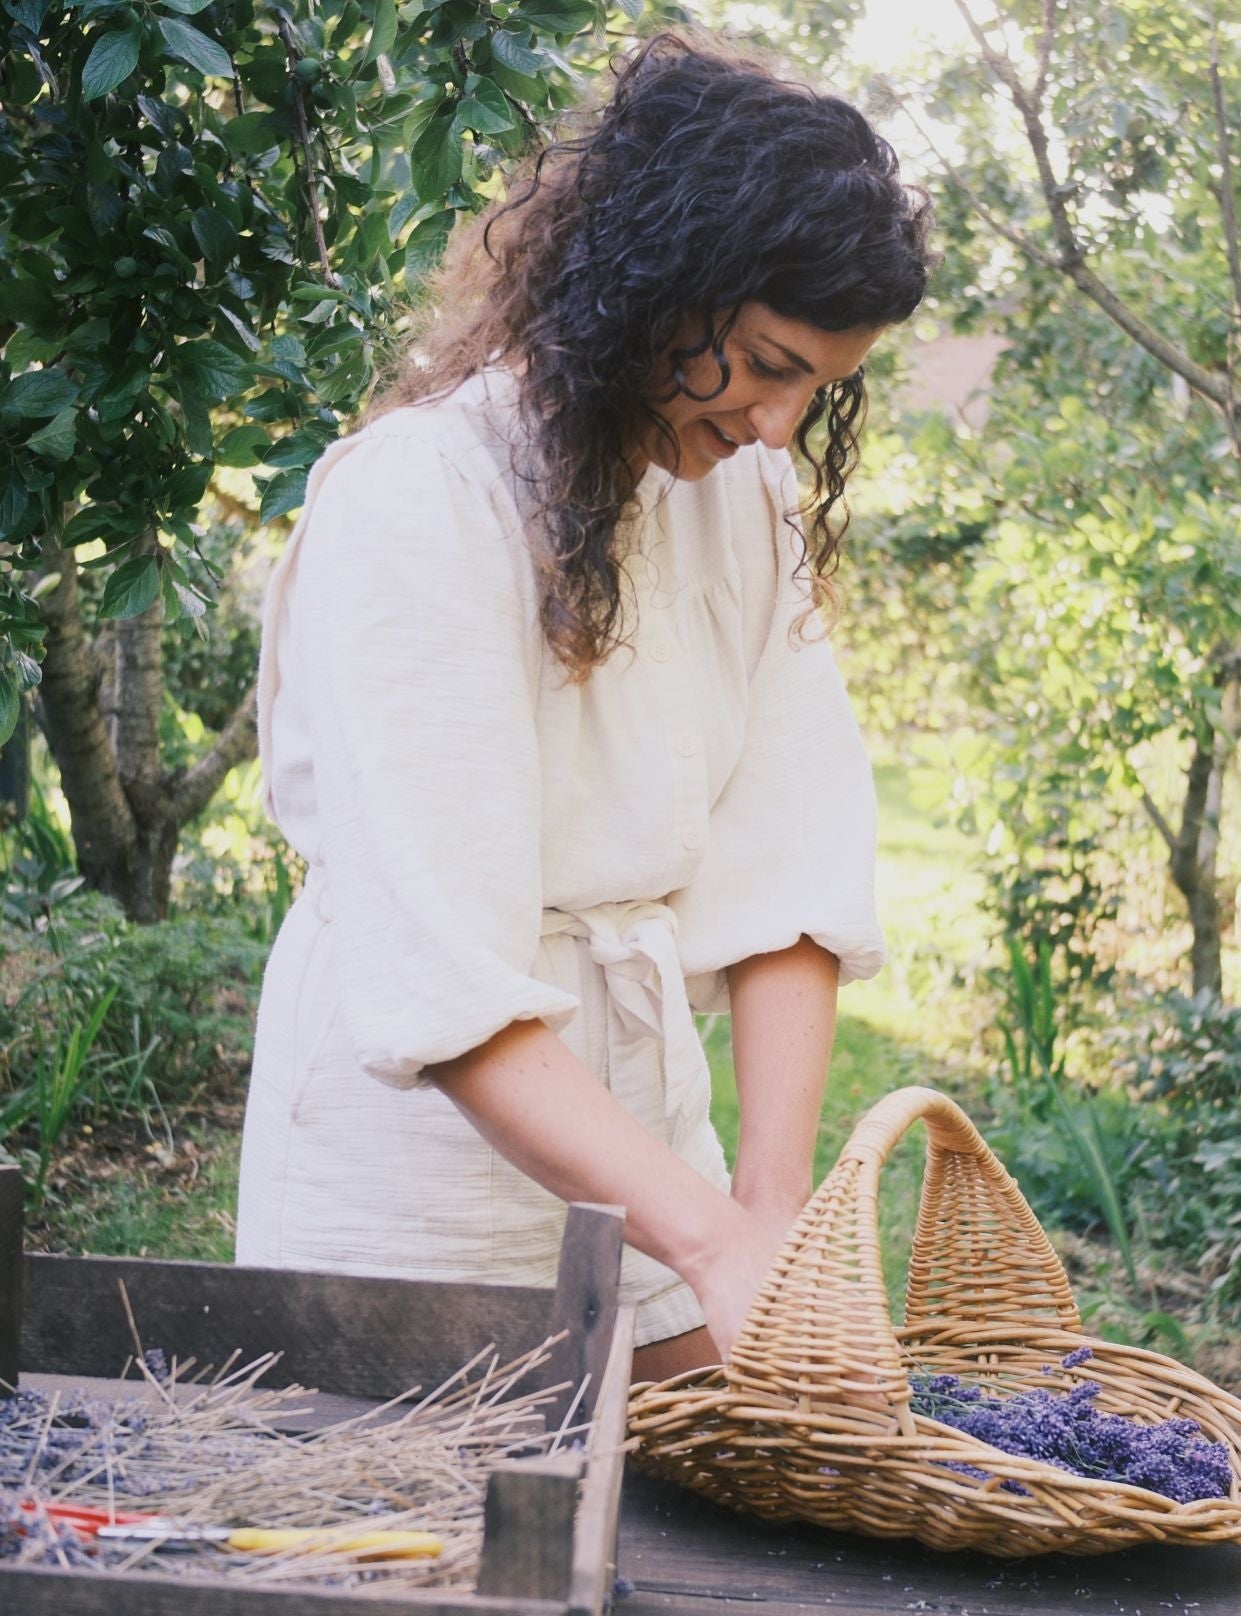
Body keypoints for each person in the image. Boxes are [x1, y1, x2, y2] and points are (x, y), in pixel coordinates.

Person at [237, 30, 933, 1383]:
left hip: (649, 1130)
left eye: (818, 388)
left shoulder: (745, 494)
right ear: (659, 284)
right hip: (413, 1176)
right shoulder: (422, 498)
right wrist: (714, 1245)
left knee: (707, 1500)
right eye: (767, 363)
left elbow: (791, 873)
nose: (780, 424)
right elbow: (445, 984)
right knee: (430, 1512)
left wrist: (767, 1215)